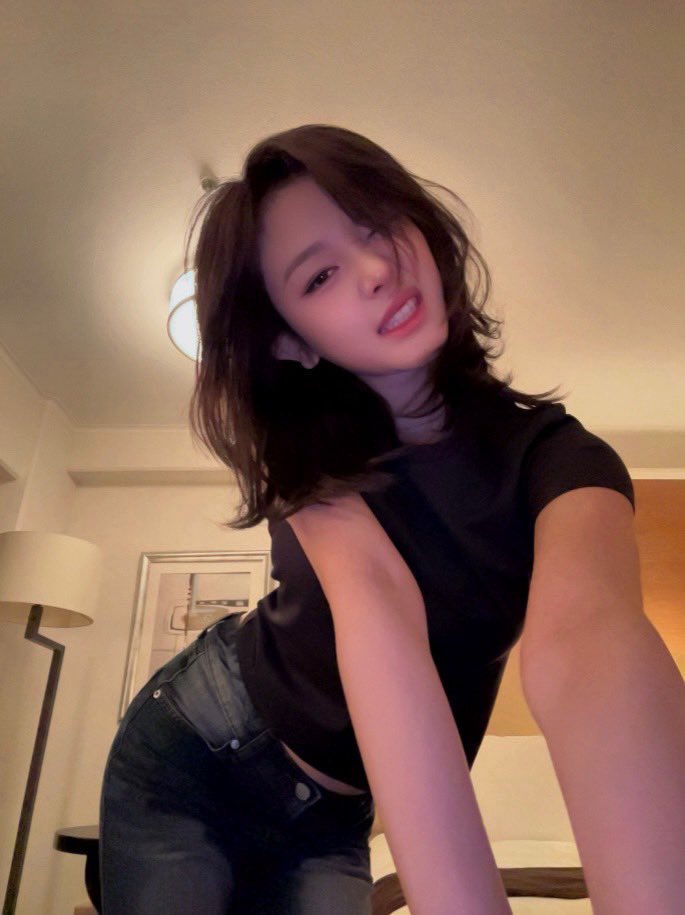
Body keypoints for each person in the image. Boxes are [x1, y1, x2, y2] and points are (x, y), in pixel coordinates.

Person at [100, 125, 685, 914]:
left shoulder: (562, 461)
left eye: (375, 223)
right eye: (320, 276)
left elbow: (586, 641)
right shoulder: (310, 460)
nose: (377, 269)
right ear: (291, 340)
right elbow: (379, 617)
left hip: (335, 818)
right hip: (195, 753)